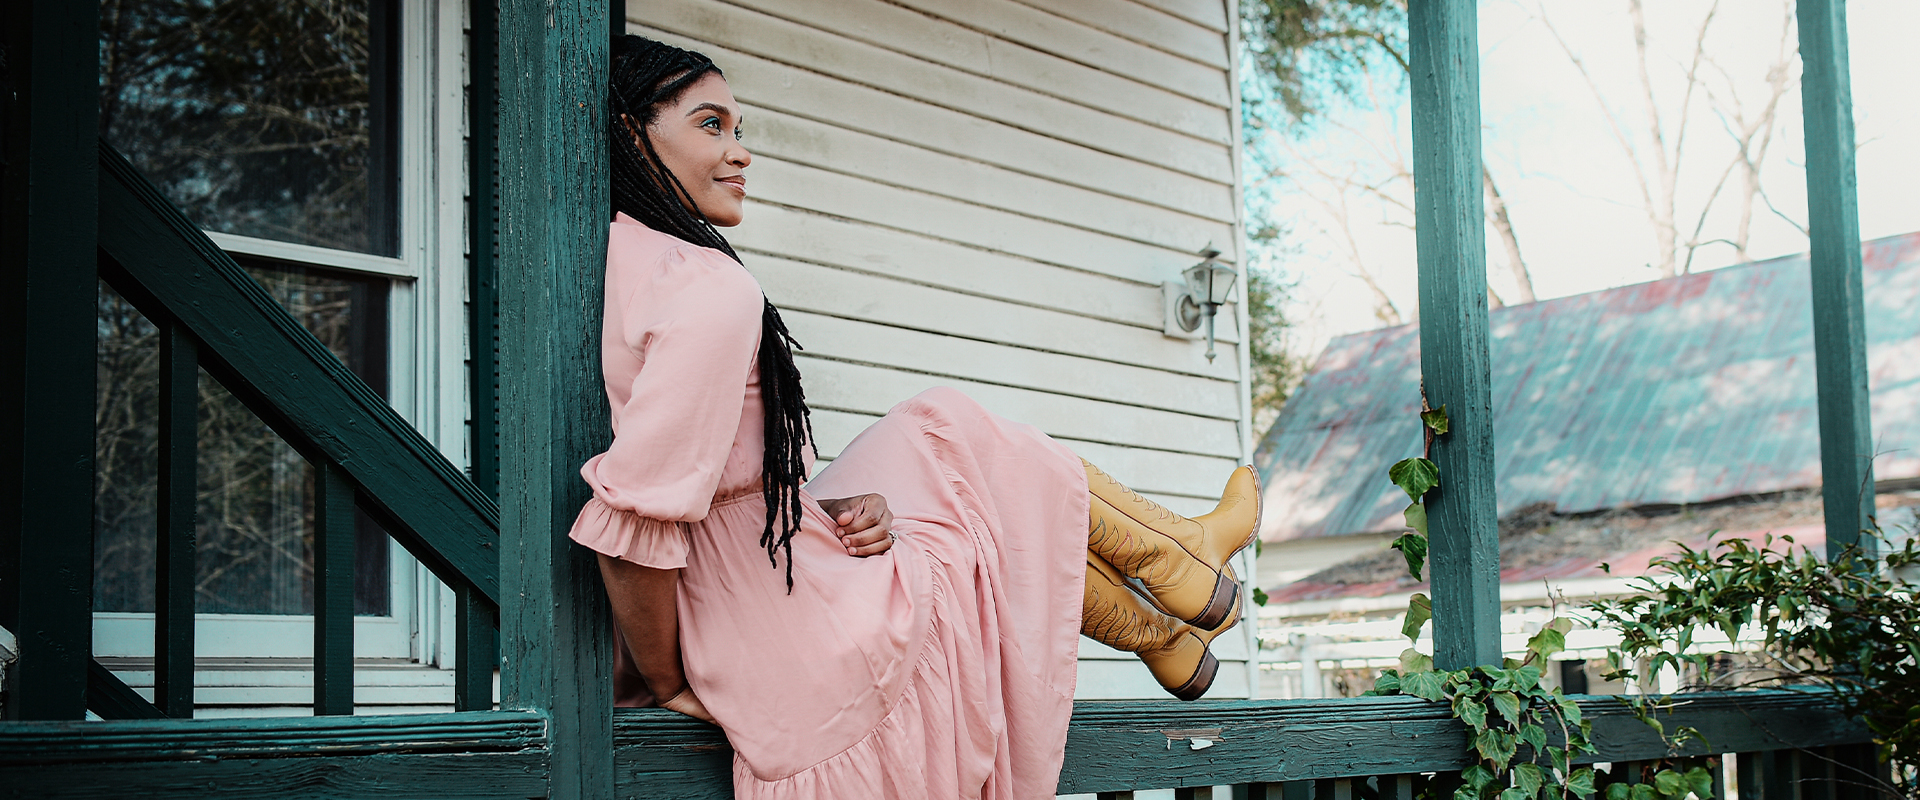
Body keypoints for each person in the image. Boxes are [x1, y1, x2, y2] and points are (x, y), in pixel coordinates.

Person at [569, 34, 1263, 800]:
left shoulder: (610, 258)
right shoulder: (706, 288)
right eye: (711, 125)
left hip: (752, 575)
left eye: (741, 129)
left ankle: (1173, 595)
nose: (739, 152)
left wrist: (820, 513)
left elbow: (703, 480)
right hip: (766, 625)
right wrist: (664, 681)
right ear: (634, 135)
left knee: (941, 434)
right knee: (958, 448)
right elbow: (637, 523)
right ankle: (1175, 582)